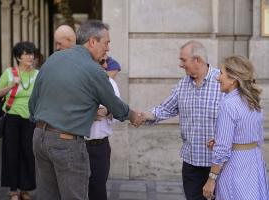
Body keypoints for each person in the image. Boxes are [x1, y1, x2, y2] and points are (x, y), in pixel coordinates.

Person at [29, 20, 141, 200]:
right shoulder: (93, 70)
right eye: (106, 43)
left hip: (39, 138)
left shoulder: (53, 59)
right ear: (92, 42)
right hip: (67, 143)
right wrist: (134, 116)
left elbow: (32, 104)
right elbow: (115, 105)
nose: (108, 49)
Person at [140, 40, 224, 200]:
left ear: (197, 60)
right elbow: (165, 109)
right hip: (191, 164)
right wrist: (141, 116)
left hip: (218, 165)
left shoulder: (222, 82)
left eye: (183, 60)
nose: (180, 64)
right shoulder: (182, 86)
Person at [202, 55, 269, 200]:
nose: (217, 78)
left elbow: (222, 149)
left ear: (233, 79)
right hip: (254, 163)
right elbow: (256, 138)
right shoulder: (253, 101)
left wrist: (211, 179)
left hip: (236, 166)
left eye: (221, 73)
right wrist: (223, 142)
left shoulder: (228, 104)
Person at [0, 41, 38, 200]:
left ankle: (25, 190)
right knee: (11, 153)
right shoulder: (9, 73)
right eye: (26, 54)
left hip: (31, 120)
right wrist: (11, 85)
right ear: (18, 57)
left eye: (31, 53)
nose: (30, 57)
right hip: (12, 118)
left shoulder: (37, 75)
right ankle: (13, 191)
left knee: (28, 153)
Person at [86, 56, 121, 200]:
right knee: (75, 191)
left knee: (98, 190)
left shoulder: (111, 83)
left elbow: (119, 114)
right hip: (76, 145)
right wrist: (88, 113)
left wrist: (107, 111)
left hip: (100, 147)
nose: (106, 65)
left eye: (106, 61)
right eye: (102, 61)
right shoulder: (76, 82)